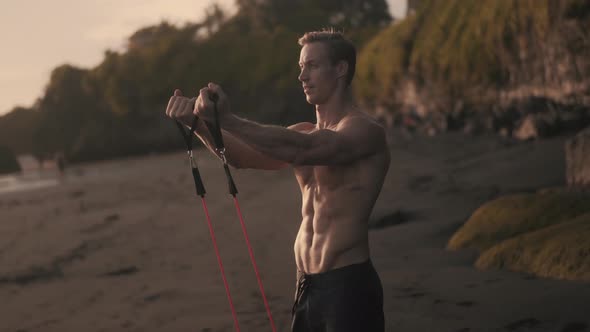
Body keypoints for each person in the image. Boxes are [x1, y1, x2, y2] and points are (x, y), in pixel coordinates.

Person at [166, 29, 390, 331]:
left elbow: (304, 150)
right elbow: (242, 157)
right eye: (301, 67)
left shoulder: (364, 131)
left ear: (340, 69)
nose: (302, 76)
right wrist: (199, 125)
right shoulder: (303, 131)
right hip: (306, 284)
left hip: (347, 284)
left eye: (311, 65)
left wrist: (229, 120)